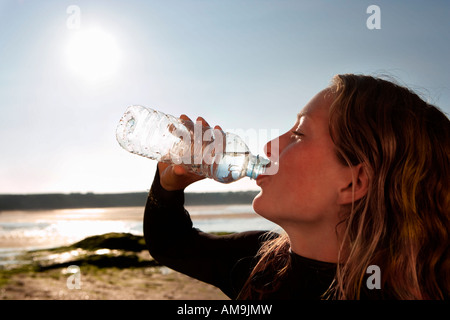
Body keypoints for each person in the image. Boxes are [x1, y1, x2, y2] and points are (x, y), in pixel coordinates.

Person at [143, 74, 450, 300]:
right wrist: (169, 185)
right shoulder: (263, 262)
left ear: (353, 182)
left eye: (299, 134)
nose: (270, 144)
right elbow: (170, 244)